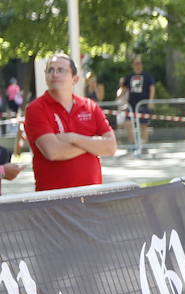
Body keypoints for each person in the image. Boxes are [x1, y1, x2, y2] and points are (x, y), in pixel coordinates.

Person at [24, 53, 116, 192]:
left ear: (75, 79)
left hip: (92, 197)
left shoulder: (90, 106)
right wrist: (93, 145)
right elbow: (53, 152)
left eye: (61, 70)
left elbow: (110, 147)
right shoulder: (36, 109)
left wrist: (73, 138)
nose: (54, 74)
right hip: (54, 200)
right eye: (50, 70)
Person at [116, 54, 155, 145]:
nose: (137, 66)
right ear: (133, 65)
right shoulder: (129, 76)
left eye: (139, 64)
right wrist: (118, 98)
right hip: (131, 105)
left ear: (142, 65)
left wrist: (151, 100)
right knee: (128, 123)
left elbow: (152, 87)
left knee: (143, 126)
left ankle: (143, 146)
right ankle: (134, 144)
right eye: (136, 64)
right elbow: (124, 89)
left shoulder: (147, 76)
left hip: (143, 104)